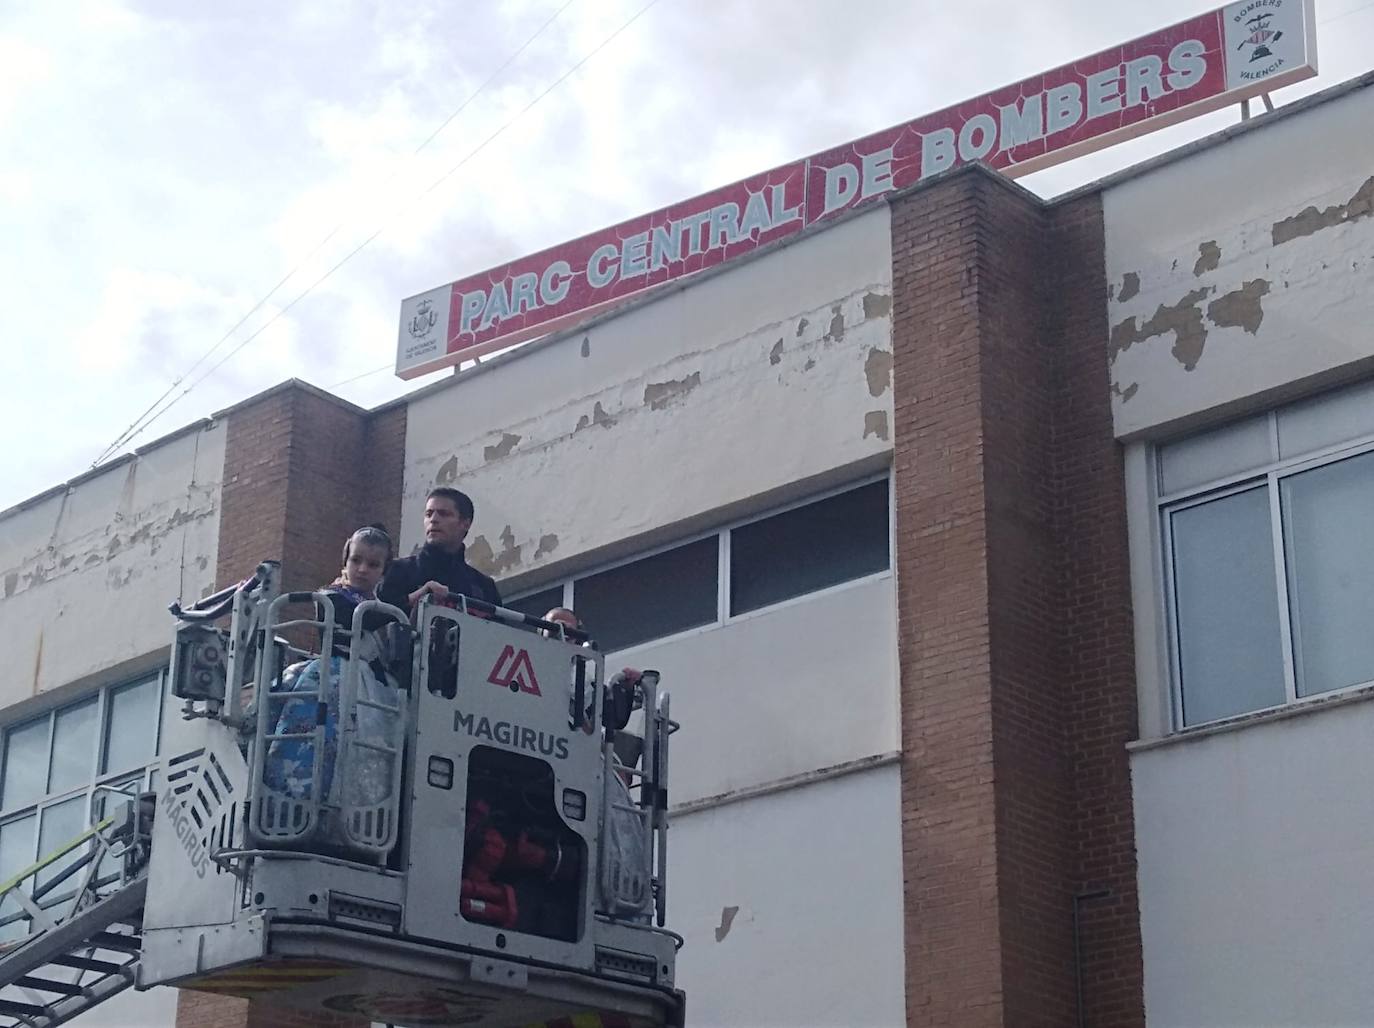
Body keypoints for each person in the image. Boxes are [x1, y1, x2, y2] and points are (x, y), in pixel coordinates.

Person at [263, 526, 403, 815]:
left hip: (368, 685)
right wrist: (409, 600)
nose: (362, 569)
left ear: (383, 572)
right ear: (345, 562)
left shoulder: (378, 608)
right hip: (333, 675)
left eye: (373, 564)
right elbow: (351, 618)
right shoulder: (333, 596)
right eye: (356, 560)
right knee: (313, 734)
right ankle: (296, 801)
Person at [379, 487, 501, 613]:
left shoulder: (485, 588)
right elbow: (375, 619)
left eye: (444, 514)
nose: (433, 519)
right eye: (428, 514)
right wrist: (418, 596)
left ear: (465, 523)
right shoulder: (398, 570)